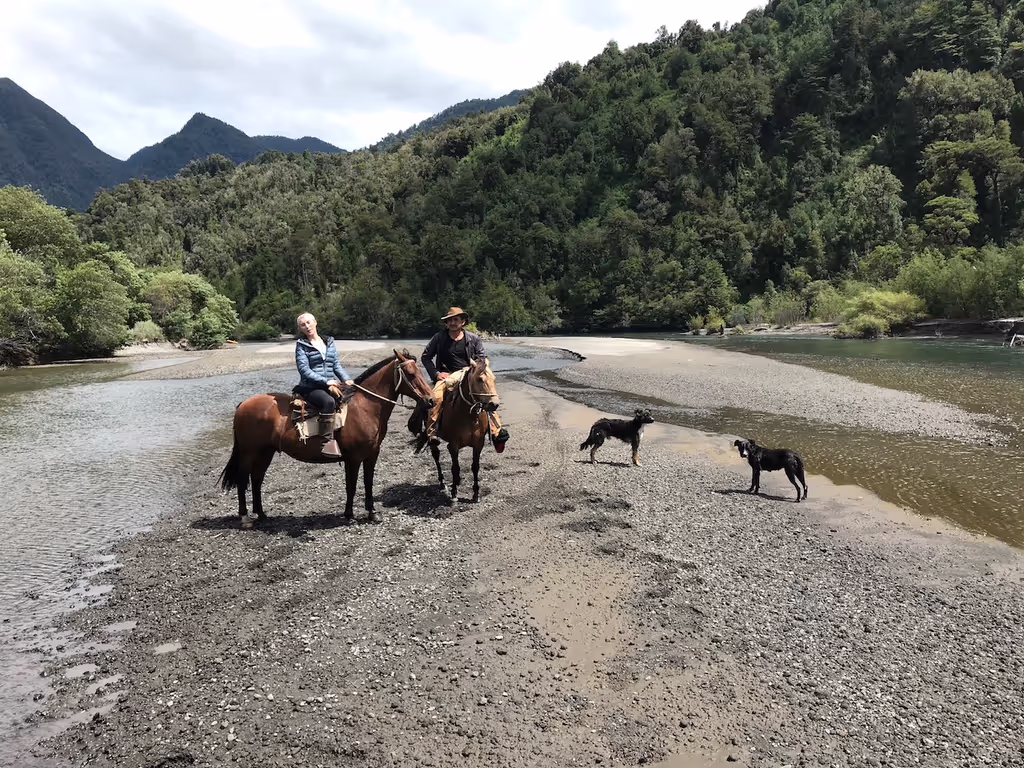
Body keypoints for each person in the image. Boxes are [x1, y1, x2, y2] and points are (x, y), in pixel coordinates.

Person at [412, 306, 502, 445]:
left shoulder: (473, 338)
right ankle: (432, 431)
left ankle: (496, 432)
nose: (452, 323)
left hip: (469, 375)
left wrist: (473, 367)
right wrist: (436, 374)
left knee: (486, 395)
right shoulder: (439, 338)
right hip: (446, 376)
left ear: (463, 322)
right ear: (446, 323)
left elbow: (481, 359)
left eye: (456, 320)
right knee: (436, 397)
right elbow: (426, 357)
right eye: (449, 320)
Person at [293, 312, 354, 457]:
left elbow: (336, 365)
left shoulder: (329, 342)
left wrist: (346, 379)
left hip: (330, 384)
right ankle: (326, 443)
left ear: (315, 322)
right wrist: (326, 381)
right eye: (303, 324)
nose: (307, 326)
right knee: (328, 401)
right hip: (310, 387)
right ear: (300, 328)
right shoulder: (301, 346)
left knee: (353, 394)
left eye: (309, 322)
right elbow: (304, 370)